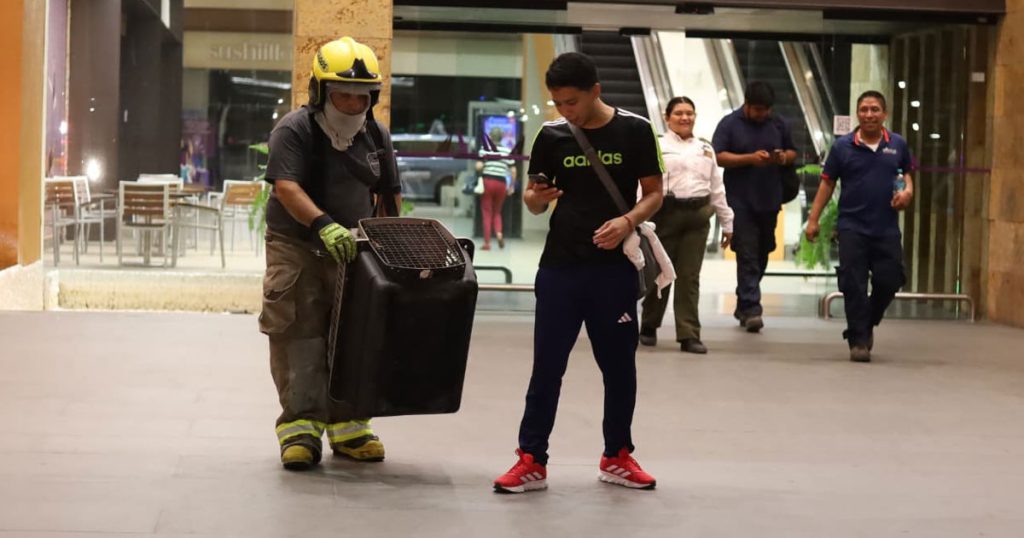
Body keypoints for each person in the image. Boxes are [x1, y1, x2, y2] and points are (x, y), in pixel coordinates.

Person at [493, 52, 664, 493]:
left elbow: (655, 193)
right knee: (546, 367)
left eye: (572, 101)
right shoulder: (552, 136)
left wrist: (627, 221)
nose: (564, 110)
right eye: (558, 102)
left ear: (595, 91)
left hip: (614, 272)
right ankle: (531, 458)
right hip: (560, 269)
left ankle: (617, 455)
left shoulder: (635, 129)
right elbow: (532, 199)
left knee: (619, 368)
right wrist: (537, 197)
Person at [258, 37, 402, 470]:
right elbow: (286, 186)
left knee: (353, 335)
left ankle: (351, 425)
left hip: (354, 250)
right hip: (296, 246)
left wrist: (387, 243)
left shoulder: (376, 136)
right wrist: (323, 224)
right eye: (343, 94)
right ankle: (300, 429)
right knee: (300, 331)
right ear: (320, 91)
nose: (354, 104)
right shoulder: (295, 129)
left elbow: (389, 193)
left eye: (362, 96)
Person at [806, 91, 913, 363]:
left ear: (884, 114)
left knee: (890, 279)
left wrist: (907, 193)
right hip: (852, 226)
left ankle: (866, 323)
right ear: (857, 113)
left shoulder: (897, 144)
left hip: (886, 227)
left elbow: (907, 176)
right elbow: (827, 183)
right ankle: (858, 340)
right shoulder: (843, 147)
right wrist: (813, 218)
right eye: (864, 109)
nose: (869, 114)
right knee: (853, 283)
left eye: (875, 109)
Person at [640, 97, 734, 354]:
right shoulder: (657, 145)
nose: (685, 118)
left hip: (698, 216)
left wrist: (728, 223)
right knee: (660, 271)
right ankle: (649, 325)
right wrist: (638, 217)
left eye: (690, 113)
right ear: (667, 117)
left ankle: (689, 333)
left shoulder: (705, 148)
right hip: (664, 216)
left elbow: (717, 187)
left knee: (689, 276)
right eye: (679, 113)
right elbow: (644, 184)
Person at [712, 81, 797, 333]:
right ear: (746, 105)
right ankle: (751, 308)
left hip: (770, 199)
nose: (762, 114)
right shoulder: (729, 124)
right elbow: (718, 156)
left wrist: (782, 157)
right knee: (747, 253)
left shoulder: (779, 123)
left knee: (763, 252)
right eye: (757, 109)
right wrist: (750, 159)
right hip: (740, 202)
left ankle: (744, 299)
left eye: (766, 110)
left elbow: (793, 152)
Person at [475, 126, 516, 250]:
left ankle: (487, 243)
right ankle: (499, 233)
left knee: (487, 212)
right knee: (497, 212)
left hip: (488, 182)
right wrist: (511, 186)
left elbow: (478, 166)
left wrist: (480, 166)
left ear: (491, 137)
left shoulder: (484, 149)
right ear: (502, 137)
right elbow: (513, 170)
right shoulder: (507, 151)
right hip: (501, 183)